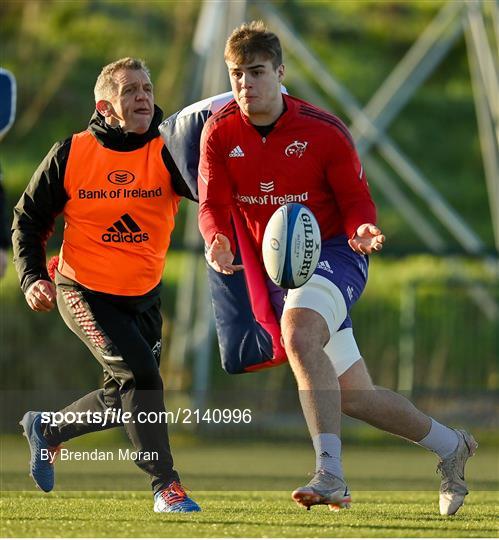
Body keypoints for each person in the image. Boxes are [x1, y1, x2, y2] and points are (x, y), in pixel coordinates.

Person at [197, 21, 477, 515]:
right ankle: (451, 446)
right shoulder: (219, 134)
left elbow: (355, 200)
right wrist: (215, 237)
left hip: (339, 254)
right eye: (236, 74)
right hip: (288, 271)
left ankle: (330, 472)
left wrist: (364, 228)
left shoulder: (323, 131)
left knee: (298, 332)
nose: (245, 84)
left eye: (256, 72)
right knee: (355, 397)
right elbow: (212, 203)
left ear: (280, 73)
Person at [12, 57, 200, 513]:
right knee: (143, 377)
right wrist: (33, 276)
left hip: (144, 297)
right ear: (106, 105)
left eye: (148, 89)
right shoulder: (71, 152)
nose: (143, 97)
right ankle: (165, 486)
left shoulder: (168, 149)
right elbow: (28, 218)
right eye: (131, 90)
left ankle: (48, 431)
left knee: (123, 397)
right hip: (82, 291)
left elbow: (212, 196)